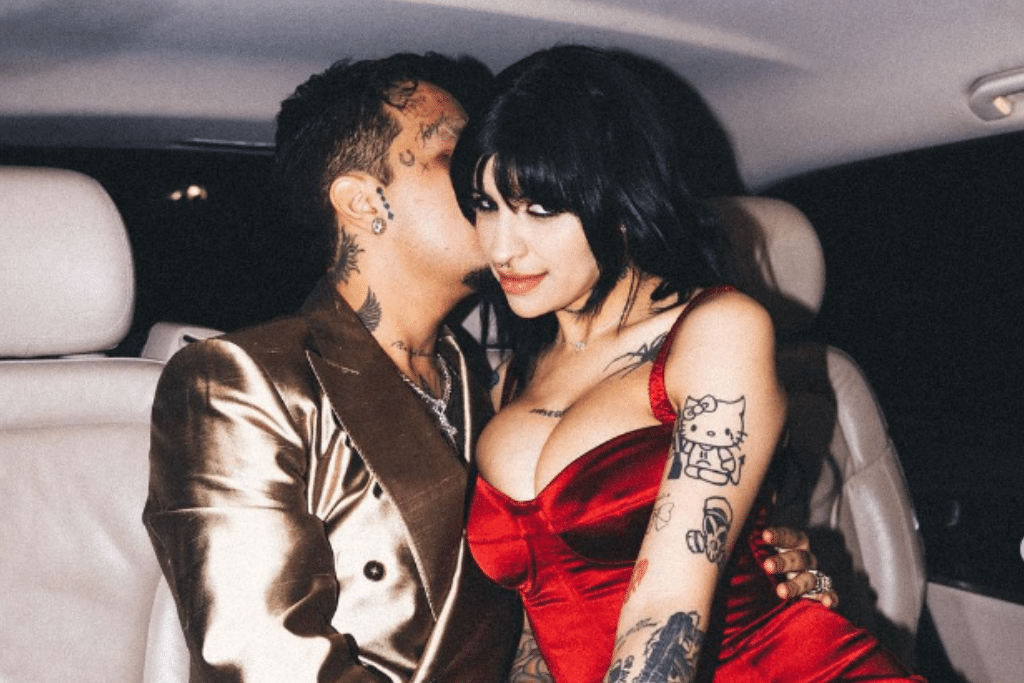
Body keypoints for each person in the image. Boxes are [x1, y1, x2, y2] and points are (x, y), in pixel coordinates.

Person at [144, 52, 835, 683]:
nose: (492, 173)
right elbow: (263, 659)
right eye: (458, 159)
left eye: (531, 192)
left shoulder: (491, 383)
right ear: (363, 201)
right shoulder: (239, 380)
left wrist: (744, 569)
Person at [453, 45, 924, 683]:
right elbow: (542, 627)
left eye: (540, 209)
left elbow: (665, 607)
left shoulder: (717, 332)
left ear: (620, 205)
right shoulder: (513, 374)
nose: (502, 246)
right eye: (485, 205)